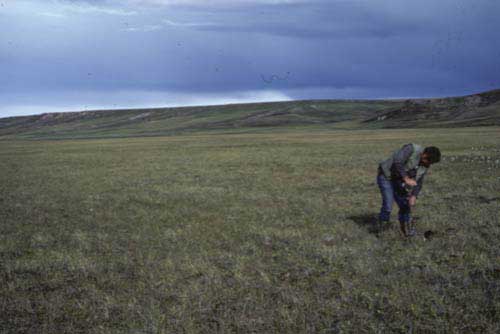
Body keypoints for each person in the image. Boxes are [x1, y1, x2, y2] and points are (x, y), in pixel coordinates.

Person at [376, 143, 441, 236]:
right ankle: (383, 230)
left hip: (399, 180)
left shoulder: (425, 164)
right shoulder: (411, 149)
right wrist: (406, 178)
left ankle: (406, 230)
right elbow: (397, 162)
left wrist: (414, 195)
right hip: (386, 176)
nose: (428, 165)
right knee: (388, 204)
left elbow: (419, 181)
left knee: (405, 204)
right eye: (428, 162)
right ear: (425, 155)